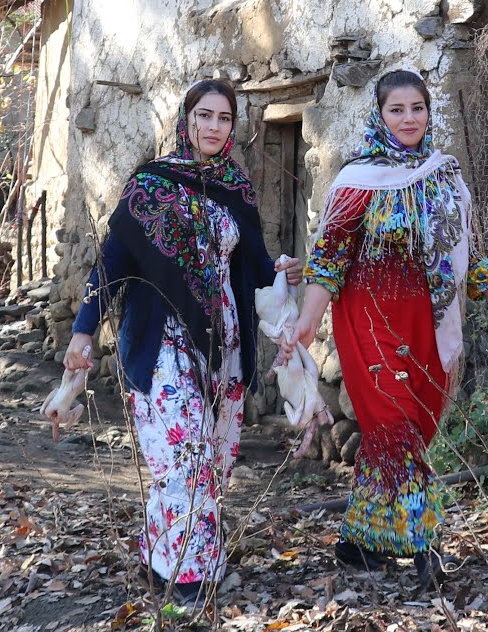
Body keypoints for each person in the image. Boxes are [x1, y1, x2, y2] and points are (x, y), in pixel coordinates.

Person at [289, 70, 488, 591]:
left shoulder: (446, 177)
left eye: (416, 108)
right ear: (380, 115)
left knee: (406, 431)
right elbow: (328, 258)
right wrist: (309, 319)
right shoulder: (358, 180)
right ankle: (426, 548)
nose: (408, 119)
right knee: (396, 430)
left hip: (427, 320)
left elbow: (469, 255)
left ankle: (360, 543)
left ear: (429, 112)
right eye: (396, 110)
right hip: (370, 321)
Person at [64, 79, 302, 604]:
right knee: (185, 456)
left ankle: (161, 559)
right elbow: (112, 262)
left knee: (214, 458)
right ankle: (193, 579)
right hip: (163, 338)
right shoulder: (150, 184)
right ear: (186, 118)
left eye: (224, 118)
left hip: (225, 342)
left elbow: (256, 264)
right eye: (205, 116)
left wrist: (281, 270)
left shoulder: (236, 189)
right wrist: (84, 329)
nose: (215, 127)